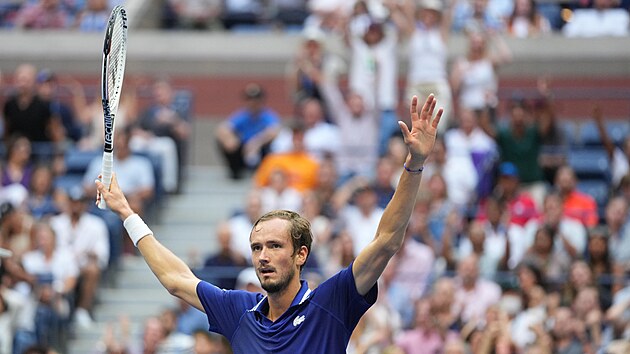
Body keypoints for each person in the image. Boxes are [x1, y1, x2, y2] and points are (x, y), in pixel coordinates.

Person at [94, 94, 442, 353]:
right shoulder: (240, 311)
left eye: (275, 246)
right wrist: (127, 213)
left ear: (300, 254)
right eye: (257, 247)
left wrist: (414, 165)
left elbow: (386, 241)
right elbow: (176, 279)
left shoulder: (331, 302)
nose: (262, 256)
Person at [215, 83, 281, 180]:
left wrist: (256, 142)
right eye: (250, 99)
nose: (253, 102)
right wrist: (230, 139)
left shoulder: (267, 115)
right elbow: (223, 128)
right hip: (243, 151)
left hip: (261, 151)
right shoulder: (242, 115)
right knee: (224, 142)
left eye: (256, 99)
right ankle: (236, 171)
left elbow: (275, 130)